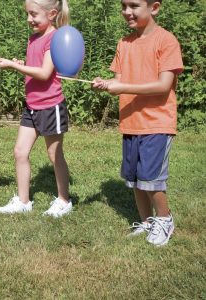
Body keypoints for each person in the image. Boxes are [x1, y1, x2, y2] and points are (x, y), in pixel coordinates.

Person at [93, 0, 183, 246]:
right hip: (131, 122)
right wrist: (107, 84)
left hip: (157, 123)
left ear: (154, 7)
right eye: (123, 6)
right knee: (134, 178)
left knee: (151, 178)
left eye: (134, 6)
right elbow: (119, 80)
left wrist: (122, 87)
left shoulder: (166, 41)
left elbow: (163, 86)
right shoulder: (124, 43)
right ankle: (146, 222)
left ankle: (165, 220)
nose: (126, 12)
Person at [0, 0, 72, 218]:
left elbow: (45, 73)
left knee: (54, 154)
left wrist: (14, 65)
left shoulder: (54, 38)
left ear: (52, 14)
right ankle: (23, 200)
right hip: (32, 105)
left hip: (50, 105)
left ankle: (64, 200)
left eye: (34, 14)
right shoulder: (34, 37)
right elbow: (35, 66)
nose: (29, 19)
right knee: (20, 152)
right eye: (28, 14)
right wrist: (21, 63)